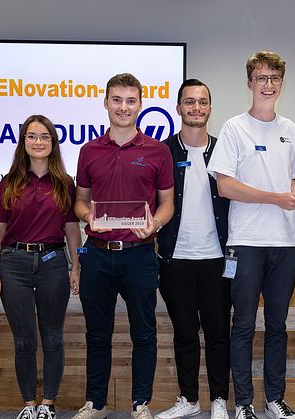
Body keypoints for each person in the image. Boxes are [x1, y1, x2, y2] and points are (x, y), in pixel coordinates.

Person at [71, 73, 174, 419]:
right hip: (98, 254)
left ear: (140, 105)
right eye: (117, 100)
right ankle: (95, 403)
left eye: (131, 100)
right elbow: (80, 202)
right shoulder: (89, 151)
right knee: (96, 333)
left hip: (140, 255)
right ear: (106, 102)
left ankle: (140, 403)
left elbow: (167, 204)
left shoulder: (158, 151)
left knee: (144, 333)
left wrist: (155, 224)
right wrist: (88, 218)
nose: (124, 107)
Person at [207, 51, 295, 419]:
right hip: (245, 243)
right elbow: (226, 186)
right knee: (243, 324)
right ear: (249, 83)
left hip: (285, 242)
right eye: (261, 78)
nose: (267, 84)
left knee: (277, 325)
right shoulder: (234, 128)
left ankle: (275, 399)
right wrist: (274, 197)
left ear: (281, 83)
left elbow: (294, 183)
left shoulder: (290, 129)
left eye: (274, 78)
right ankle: (244, 402)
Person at [0, 115, 82, 419]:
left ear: (53, 143)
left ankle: (48, 405)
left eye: (44, 137)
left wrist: (76, 267)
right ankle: (29, 404)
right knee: (24, 339)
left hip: (54, 264)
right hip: (13, 264)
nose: (38, 142)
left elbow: (72, 231)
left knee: (53, 337)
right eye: (31, 136)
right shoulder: (9, 182)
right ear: (23, 142)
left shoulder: (65, 183)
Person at [155, 79, 231, 419]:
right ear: (178, 107)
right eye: (189, 102)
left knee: (218, 332)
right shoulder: (163, 152)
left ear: (210, 108)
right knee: (184, 332)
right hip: (175, 258)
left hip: (218, 259)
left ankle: (218, 398)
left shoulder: (225, 149)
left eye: (202, 102)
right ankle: (189, 398)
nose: (196, 108)